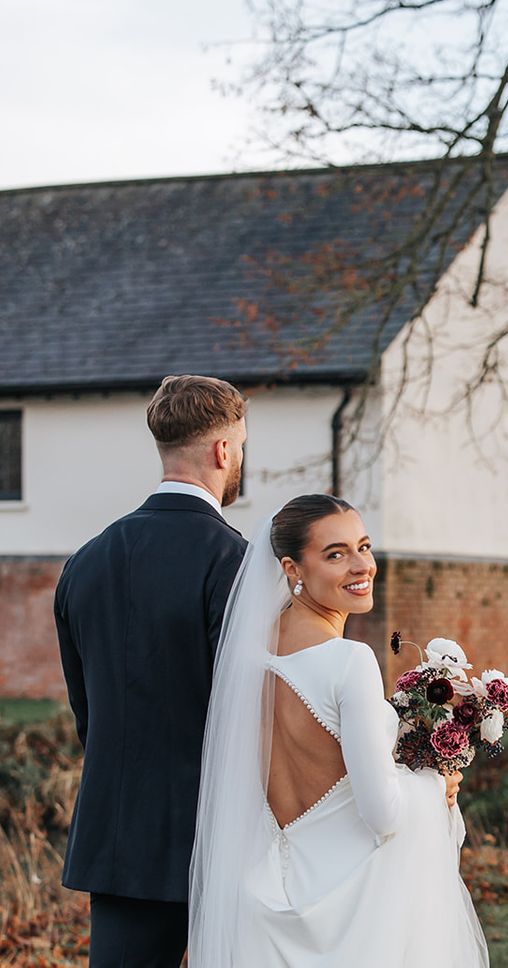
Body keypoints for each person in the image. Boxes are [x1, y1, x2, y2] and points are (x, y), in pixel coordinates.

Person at [188, 494, 489, 966]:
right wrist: (436, 782)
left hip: (261, 898)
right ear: (292, 569)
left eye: (363, 547)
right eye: (335, 554)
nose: (360, 566)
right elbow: (385, 814)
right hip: (346, 917)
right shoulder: (349, 661)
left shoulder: (248, 651)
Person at [54, 374, 248, 968]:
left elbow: (88, 714)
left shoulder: (85, 562)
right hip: (214, 834)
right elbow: (245, 709)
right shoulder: (235, 562)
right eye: (241, 447)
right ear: (221, 451)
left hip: (118, 838)